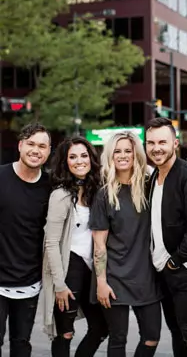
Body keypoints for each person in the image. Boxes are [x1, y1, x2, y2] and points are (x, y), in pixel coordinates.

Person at [90, 131, 162, 357]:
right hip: (114, 277)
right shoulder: (104, 195)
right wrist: (101, 282)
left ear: (135, 154)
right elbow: (99, 244)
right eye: (117, 151)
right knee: (118, 339)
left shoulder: (150, 187)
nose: (122, 156)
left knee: (151, 337)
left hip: (146, 276)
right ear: (110, 156)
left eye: (127, 151)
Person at [145, 118, 187, 357]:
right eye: (151, 142)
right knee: (177, 331)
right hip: (163, 270)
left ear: (175, 143)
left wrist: (175, 260)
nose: (156, 148)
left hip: (186, 269)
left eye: (162, 141)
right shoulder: (153, 178)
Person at [42, 137, 108, 356]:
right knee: (65, 332)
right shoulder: (60, 195)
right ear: (65, 162)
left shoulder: (97, 191)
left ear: (91, 158)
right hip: (69, 269)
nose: (79, 161)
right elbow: (51, 243)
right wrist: (59, 285)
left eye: (83, 155)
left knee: (100, 328)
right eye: (72, 157)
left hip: (92, 271)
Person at [0, 123, 51, 357]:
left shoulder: (51, 187)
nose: (35, 150)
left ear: (49, 151)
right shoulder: (1, 177)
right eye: (31, 144)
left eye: (42, 146)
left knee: (21, 344)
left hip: (29, 283)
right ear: (20, 146)